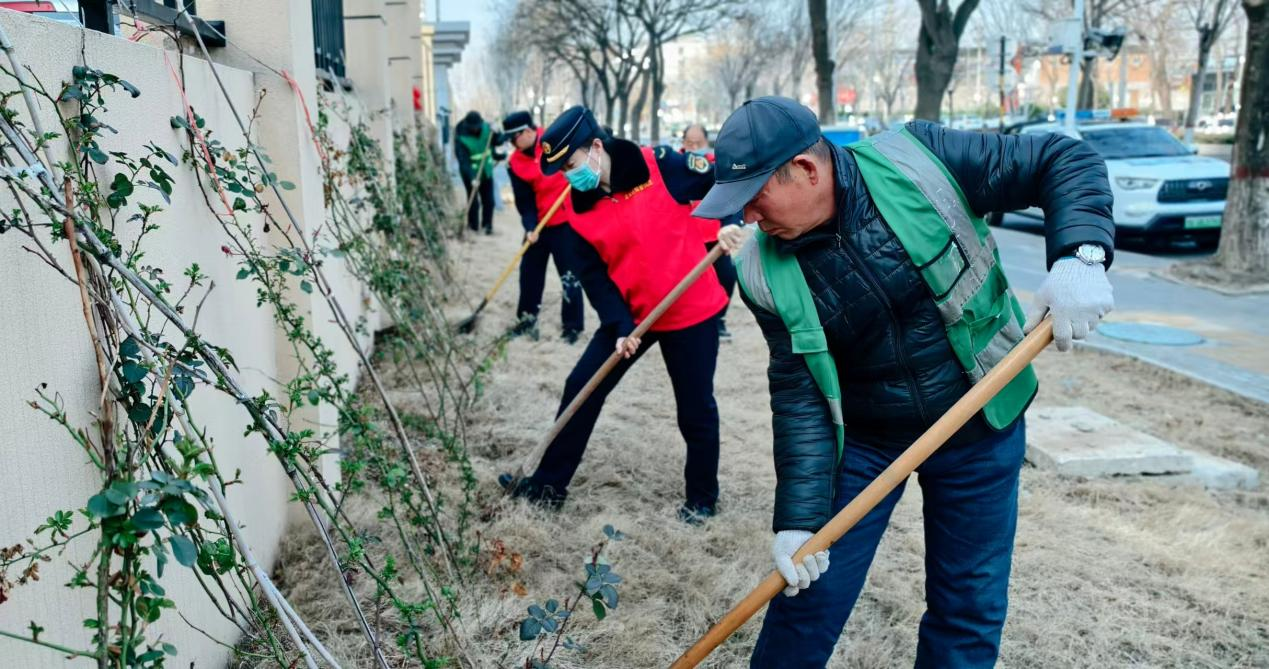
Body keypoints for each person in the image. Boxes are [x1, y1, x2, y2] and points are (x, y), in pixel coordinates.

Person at [692, 97, 1115, 668]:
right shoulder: (761, 271)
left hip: (977, 422)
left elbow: (1062, 159)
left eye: (753, 198)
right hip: (865, 442)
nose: (746, 219)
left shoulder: (921, 160)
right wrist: (797, 520)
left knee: (967, 606)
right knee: (806, 597)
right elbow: (799, 397)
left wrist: (1082, 255)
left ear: (808, 171)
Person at [498, 105, 744, 523]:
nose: (571, 176)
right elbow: (593, 275)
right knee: (582, 386)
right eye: (563, 171)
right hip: (631, 312)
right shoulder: (579, 208)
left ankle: (702, 500)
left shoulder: (660, 165)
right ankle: (547, 486)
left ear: (596, 147)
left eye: (573, 165)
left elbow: (724, 180)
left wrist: (729, 222)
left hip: (688, 307)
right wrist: (621, 326)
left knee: (695, 407)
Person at [502, 110, 585, 343]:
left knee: (569, 275)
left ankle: (572, 327)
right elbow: (524, 201)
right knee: (529, 272)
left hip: (566, 222)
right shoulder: (515, 163)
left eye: (513, 138)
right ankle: (526, 320)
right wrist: (530, 227)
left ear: (528, 131)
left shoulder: (555, 141)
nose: (511, 144)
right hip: (540, 224)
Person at [680, 123, 739, 340]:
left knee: (726, 276)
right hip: (686, 238)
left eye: (698, 143)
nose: (694, 147)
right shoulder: (675, 165)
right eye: (689, 143)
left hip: (714, 236)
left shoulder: (717, 165)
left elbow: (731, 195)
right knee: (691, 283)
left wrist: (729, 226)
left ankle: (719, 319)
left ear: (707, 142)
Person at [454, 110, 502, 234]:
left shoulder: (487, 128)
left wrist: (497, 132)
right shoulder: (461, 137)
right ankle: (473, 226)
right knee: (473, 201)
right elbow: (463, 161)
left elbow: (498, 141)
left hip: (486, 170)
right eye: (473, 128)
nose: (476, 130)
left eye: (477, 127)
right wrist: (471, 178)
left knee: (489, 201)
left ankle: (487, 226)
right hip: (470, 172)